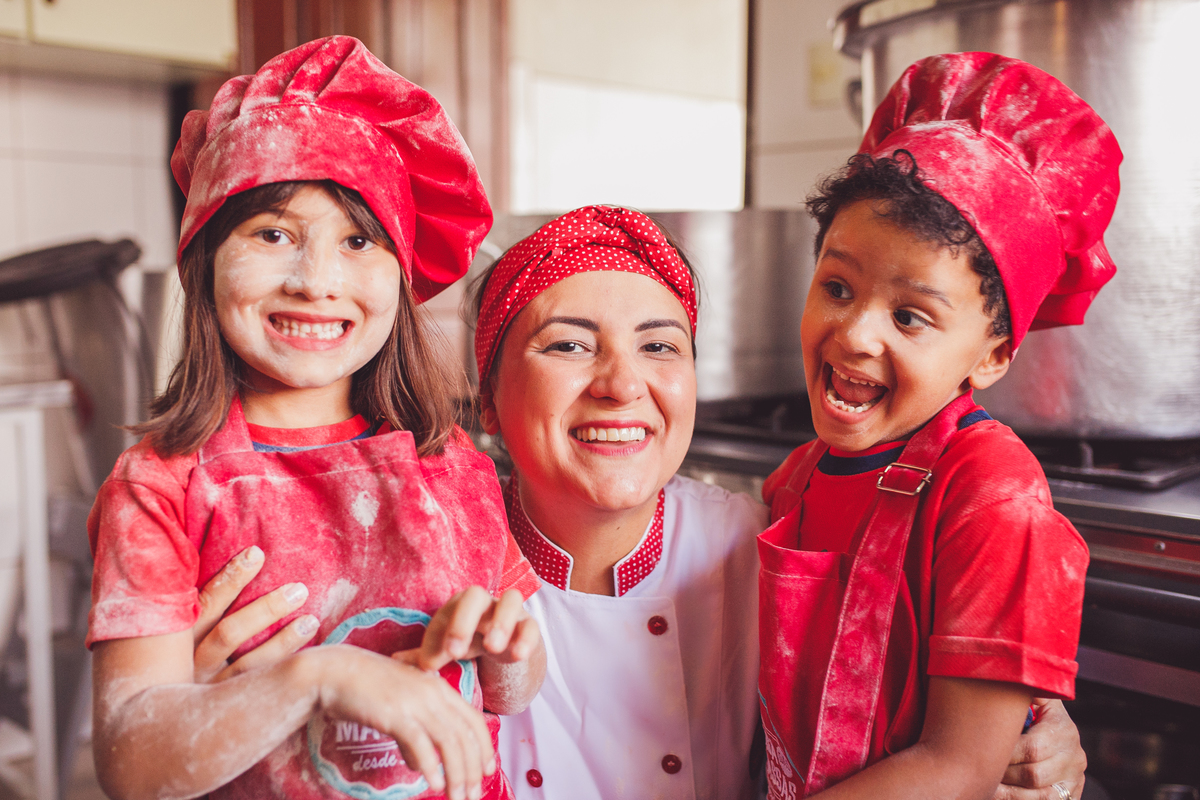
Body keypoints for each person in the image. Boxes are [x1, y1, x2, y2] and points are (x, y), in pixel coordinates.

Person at [196, 203, 1091, 800]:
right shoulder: (403, 556)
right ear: (490, 396)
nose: (624, 386)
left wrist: (1036, 737)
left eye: (661, 347)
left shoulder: (770, 544)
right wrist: (221, 710)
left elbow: (906, 714)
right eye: (569, 346)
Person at [86, 37, 545, 800]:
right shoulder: (162, 485)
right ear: (205, 258)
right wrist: (314, 678)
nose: (316, 281)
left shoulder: (451, 461)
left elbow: (508, 691)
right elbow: (132, 765)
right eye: (273, 234)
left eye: (359, 240)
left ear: (399, 276)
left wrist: (509, 649)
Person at [756, 53, 1120, 800]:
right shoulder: (793, 482)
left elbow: (956, 769)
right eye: (837, 286)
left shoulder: (993, 497)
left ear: (991, 354)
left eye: (910, 315)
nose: (855, 333)